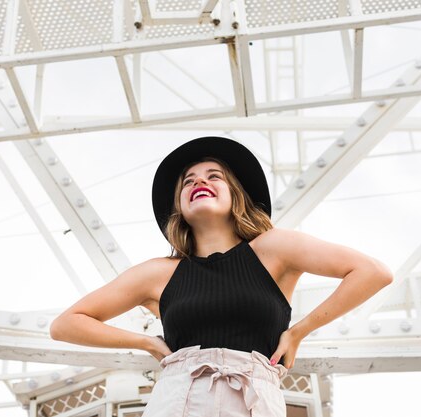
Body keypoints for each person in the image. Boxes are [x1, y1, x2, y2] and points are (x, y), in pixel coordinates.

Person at [50, 136, 393, 416]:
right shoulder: (158, 273)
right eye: (189, 181)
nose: (199, 181)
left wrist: (299, 332)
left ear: (236, 195)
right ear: (180, 206)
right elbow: (66, 324)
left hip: (254, 400)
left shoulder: (275, 248)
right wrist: (145, 342)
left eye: (214, 176)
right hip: (177, 399)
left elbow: (372, 273)